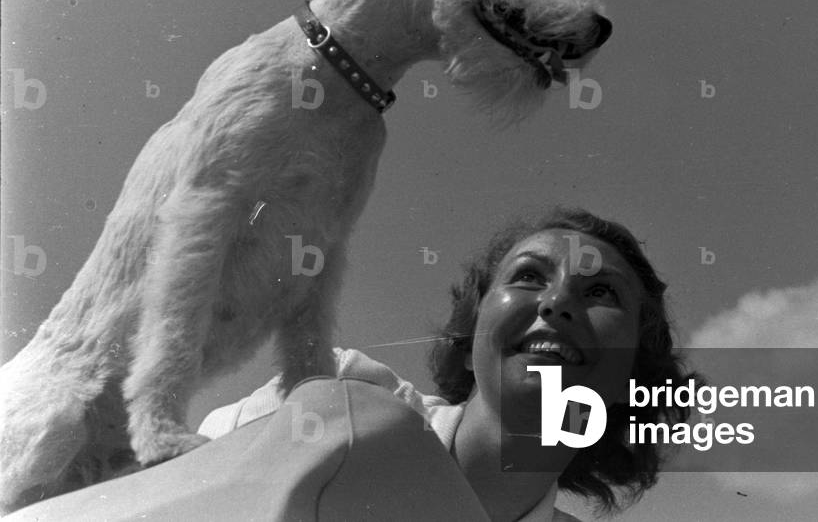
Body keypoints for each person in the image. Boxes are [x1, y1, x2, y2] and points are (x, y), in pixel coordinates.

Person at [7, 207, 701, 521]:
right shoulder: (330, 397)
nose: (556, 303)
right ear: (476, 322)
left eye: (600, 292)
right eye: (526, 276)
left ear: (637, 365)